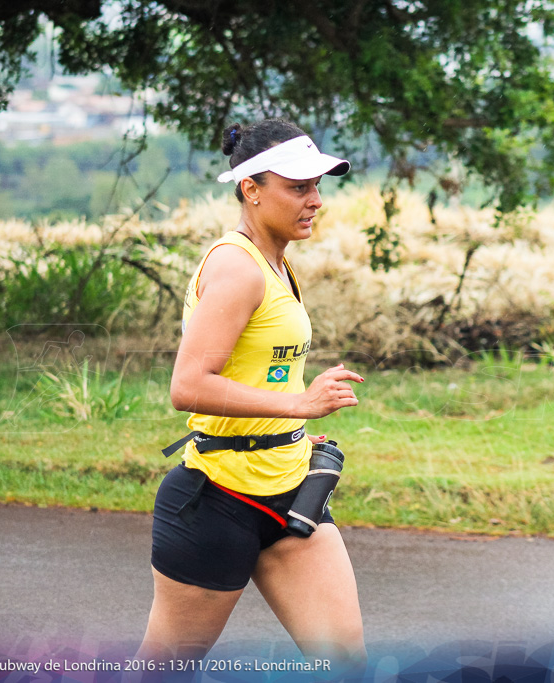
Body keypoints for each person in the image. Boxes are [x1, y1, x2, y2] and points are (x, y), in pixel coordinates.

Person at [136, 119, 366, 673]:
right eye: (297, 187)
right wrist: (299, 405)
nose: (314, 200)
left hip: (291, 493)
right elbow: (188, 386)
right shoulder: (238, 267)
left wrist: (296, 431)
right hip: (216, 503)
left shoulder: (277, 261)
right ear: (251, 188)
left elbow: (262, 373)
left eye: (317, 186)